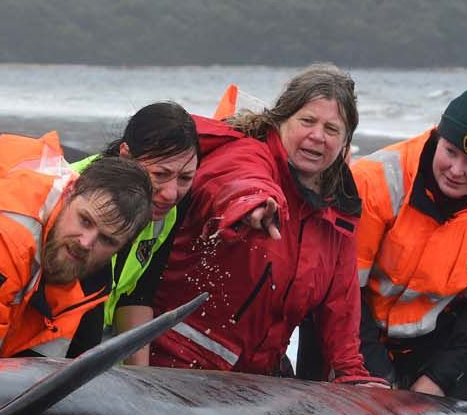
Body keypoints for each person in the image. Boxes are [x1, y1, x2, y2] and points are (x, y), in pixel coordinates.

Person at [148, 64, 385, 385]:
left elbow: (340, 305)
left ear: (345, 142)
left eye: (332, 129)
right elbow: (235, 181)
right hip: (176, 361)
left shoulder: (337, 212)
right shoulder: (246, 154)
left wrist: (351, 372)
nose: (317, 136)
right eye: (307, 121)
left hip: (256, 378)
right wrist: (251, 205)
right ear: (280, 119)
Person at [346, 87, 467, 399]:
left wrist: (437, 380)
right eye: (450, 151)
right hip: (350, 332)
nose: (456, 171)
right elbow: (343, 288)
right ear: (437, 137)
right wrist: (378, 377)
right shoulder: (375, 177)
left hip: (434, 343)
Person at [0, 149, 154, 358]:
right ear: (69, 192)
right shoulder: (4, 236)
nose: (86, 242)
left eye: (106, 240)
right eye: (85, 220)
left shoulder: (94, 278)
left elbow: (56, 369)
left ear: (122, 247)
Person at [69, 102, 200, 364]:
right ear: (126, 155)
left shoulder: (168, 210)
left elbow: (138, 294)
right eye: (160, 174)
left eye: (185, 178)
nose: (172, 193)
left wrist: (140, 380)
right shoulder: (74, 196)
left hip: (97, 343)